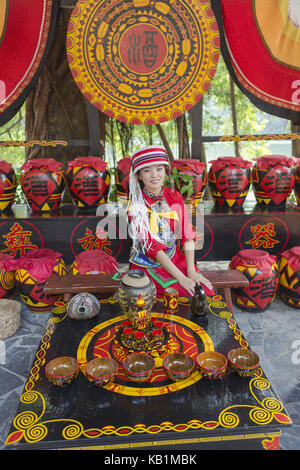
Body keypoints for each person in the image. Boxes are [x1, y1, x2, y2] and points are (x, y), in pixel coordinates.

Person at [127, 145, 214, 298]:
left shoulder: (174, 197)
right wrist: (181, 278)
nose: (155, 175)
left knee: (204, 291)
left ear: (165, 171)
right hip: (149, 264)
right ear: (139, 175)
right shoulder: (136, 205)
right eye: (147, 170)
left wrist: (191, 272)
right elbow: (153, 248)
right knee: (184, 293)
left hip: (174, 257)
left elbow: (187, 235)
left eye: (159, 169)